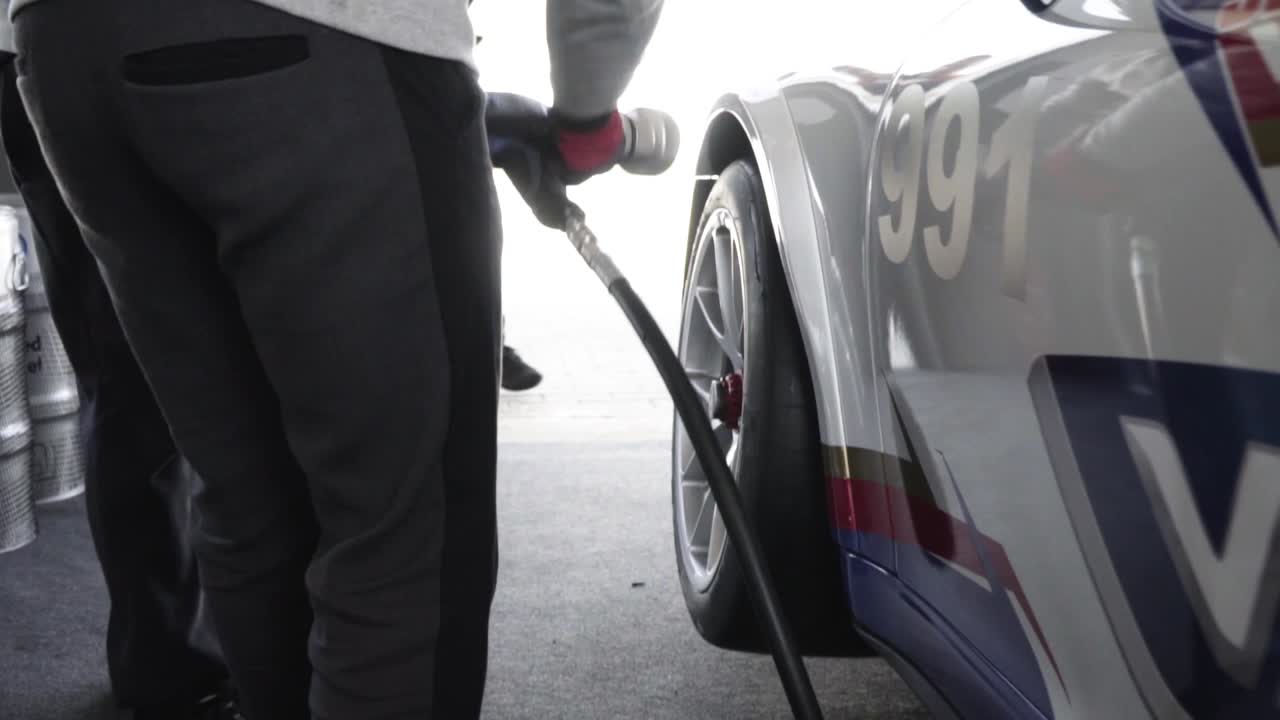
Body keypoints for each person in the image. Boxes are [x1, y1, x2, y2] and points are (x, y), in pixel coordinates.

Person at [5, 0, 661, 718]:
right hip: (315, 37)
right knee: (404, 528)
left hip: (64, 42)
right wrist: (588, 116)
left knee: (250, 495)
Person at [0, 22, 240, 720]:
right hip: (101, 45)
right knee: (139, 378)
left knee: (140, 380)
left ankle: (191, 662)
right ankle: (181, 669)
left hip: (68, 47)